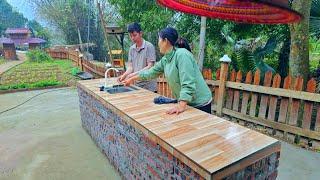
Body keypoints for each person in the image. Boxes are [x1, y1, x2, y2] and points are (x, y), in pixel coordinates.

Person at [121, 27, 212, 115]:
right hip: (188, 104)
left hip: (200, 103)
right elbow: (151, 72)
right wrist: (131, 79)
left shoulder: (182, 55)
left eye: (159, 40)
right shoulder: (166, 59)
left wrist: (181, 105)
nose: (158, 43)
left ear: (165, 41)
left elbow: (188, 83)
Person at [117, 22, 157, 92]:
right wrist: (124, 75)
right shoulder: (131, 49)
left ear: (140, 33)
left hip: (149, 87)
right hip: (137, 85)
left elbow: (150, 67)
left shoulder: (149, 46)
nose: (132, 38)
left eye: (135, 35)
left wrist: (133, 75)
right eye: (130, 36)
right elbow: (130, 67)